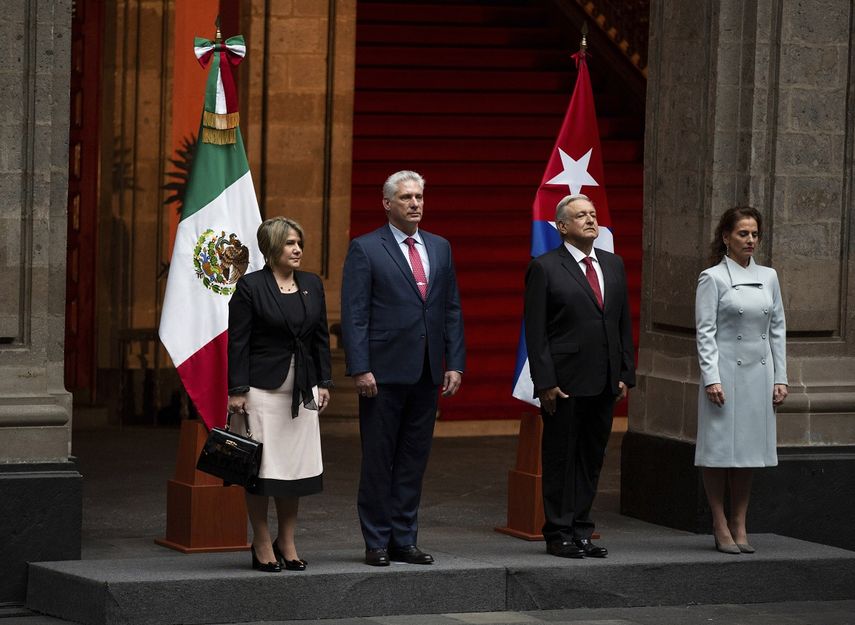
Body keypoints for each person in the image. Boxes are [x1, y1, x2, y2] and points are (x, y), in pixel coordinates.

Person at [341, 170, 465, 567]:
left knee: (413, 459)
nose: (415, 203)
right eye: (407, 197)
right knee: (379, 460)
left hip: (428, 371)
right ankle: (376, 541)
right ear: (387, 204)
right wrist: (360, 368)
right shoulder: (365, 248)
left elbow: (450, 309)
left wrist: (455, 362)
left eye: (419, 197)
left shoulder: (440, 247)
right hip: (382, 373)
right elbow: (355, 314)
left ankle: (404, 539)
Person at [524, 193, 635, 559]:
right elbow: (536, 332)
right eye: (581, 215)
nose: (591, 219)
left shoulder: (613, 264)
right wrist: (545, 382)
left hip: (604, 379)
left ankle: (582, 530)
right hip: (565, 380)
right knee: (561, 456)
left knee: (591, 456)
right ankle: (558, 533)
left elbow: (621, 323)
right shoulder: (545, 267)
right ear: (562, 227)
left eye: (593, 213)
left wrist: (624, 373)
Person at [227, 217, 332, 572]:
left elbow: (319, 338)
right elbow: (238, 342)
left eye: (299, 242)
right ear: (271, 248)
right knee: (262, 471)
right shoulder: (251, 287)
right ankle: (260, 541)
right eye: (289, 243)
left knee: (294, 471)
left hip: (301, 390)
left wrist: (324, 383)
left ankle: (286, 541)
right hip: (260, 391)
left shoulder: (312, 285)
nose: (298, 249)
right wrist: (237, 390)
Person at [695, 206, 787, 554]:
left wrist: (781, 377)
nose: (750, 240)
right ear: (726, 237)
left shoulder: (769, 276)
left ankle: (740, 522)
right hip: (725, 375)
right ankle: (719, 521)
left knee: (748, 452)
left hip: (758, 375)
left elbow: (777, 330)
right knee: (719, 449)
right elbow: (705, 333)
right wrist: (711, 378)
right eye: (743, 234)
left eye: (754, 234)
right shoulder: (712, 277)